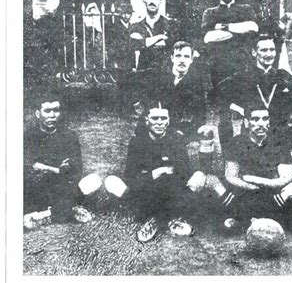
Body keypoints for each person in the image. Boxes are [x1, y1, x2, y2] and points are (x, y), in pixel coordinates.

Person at [103, 101, 227, 242]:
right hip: (146, 191)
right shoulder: (137, 142)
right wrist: (158, 171)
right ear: (147, 120)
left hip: (171, 192)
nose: (160, 123)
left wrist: (156, 174)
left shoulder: (176, 139)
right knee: (111, 181)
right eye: (155, 118)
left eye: (163, 118)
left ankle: (156, 220)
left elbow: (184, 173)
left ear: (168, 121)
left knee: (198, 176)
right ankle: (171, 219)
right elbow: (130, 177)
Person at [216, 33, 292, 153]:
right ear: (254, 53)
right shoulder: (244, 76)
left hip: (281, 133)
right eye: (264, 50)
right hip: (253, 134)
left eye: (272, 50)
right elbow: (214, 95)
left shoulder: (282, 75)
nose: (268, 54)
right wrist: (240, 110)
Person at [221, 102, 292, 229]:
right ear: (246, 122)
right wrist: (251, 187)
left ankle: (250, 220)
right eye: (255, 119)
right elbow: (231, 176)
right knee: (225, 189)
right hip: (246, 192)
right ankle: (263, 218)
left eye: (265, 119)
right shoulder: (237, 142)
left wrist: (257, 180)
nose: (261, 123)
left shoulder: (279, 142)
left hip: (272, 192)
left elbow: (285, 178)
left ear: (269, 122)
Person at [24, 89, 99, 227]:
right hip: (39, 187)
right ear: (37, 114)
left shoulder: (69, 136)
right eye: (47, 111)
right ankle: (68, 210)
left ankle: (46, 215)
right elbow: (29, 167)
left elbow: (75, 170)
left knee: (94, 180)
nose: (52, 115)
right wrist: (58, 168)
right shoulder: (28, 136)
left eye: (56, 110)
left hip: (63, 186)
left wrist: (46, 167)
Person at [201, 0, 259, 90]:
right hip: (219, 67)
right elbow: (208, 37)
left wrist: (223, 27)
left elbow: (253, 27)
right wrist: (240, 30)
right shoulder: (210, 13)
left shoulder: (246, 9)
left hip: (244, 65)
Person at [140, 41, 206, 139]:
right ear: (172, 58)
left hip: (177, 129)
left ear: (191, 60)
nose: (182, 60)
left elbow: (200, 114)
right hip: (155, 123)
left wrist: (185, 131)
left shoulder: (195, 83)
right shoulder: (159, 75)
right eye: (178, 56)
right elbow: (148, 102)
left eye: (186, 56)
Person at [129, 0, 176, 72]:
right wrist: (160, 37)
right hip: (143, 74)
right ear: (144, 0)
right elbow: (135, 45)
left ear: (160, 1)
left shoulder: (170, 25)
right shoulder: (135, 27)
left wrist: (146, 42)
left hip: (165, 73)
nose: (152, 1)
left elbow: (173, 46)